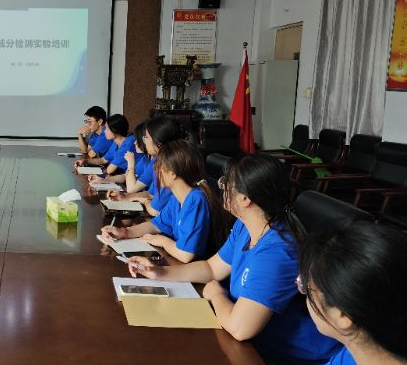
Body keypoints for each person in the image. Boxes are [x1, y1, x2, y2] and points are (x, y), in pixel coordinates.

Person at [126, 153, 341, 364]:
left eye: (225, 183)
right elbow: (211, 268)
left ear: (245, 199)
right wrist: (160, 272)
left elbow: (240, 328)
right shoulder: (245, 227)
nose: (221, 188)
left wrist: (216, 294)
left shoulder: (278, 252)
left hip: (284, 356)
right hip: (249, 344)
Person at [298, 221, 407, 365]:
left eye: (307, 289)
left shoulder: (360, 346)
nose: (304, 293)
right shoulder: (359, 347)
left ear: (343, 315)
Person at [101, 141, 228, 262]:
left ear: (173, 174)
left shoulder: (196, 200)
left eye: (158, 167)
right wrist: (123, 232)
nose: (155, 171)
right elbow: (155, 225)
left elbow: (186, 255)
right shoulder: (177, 198)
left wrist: (162, 241)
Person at [108, 117, 186, 216]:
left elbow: (154, 210)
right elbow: (150, 194)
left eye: (146, 137)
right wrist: (124, 196)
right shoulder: (158, 160)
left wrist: (143, 201)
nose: (144, 141)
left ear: (158, 141)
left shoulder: (168, 166)